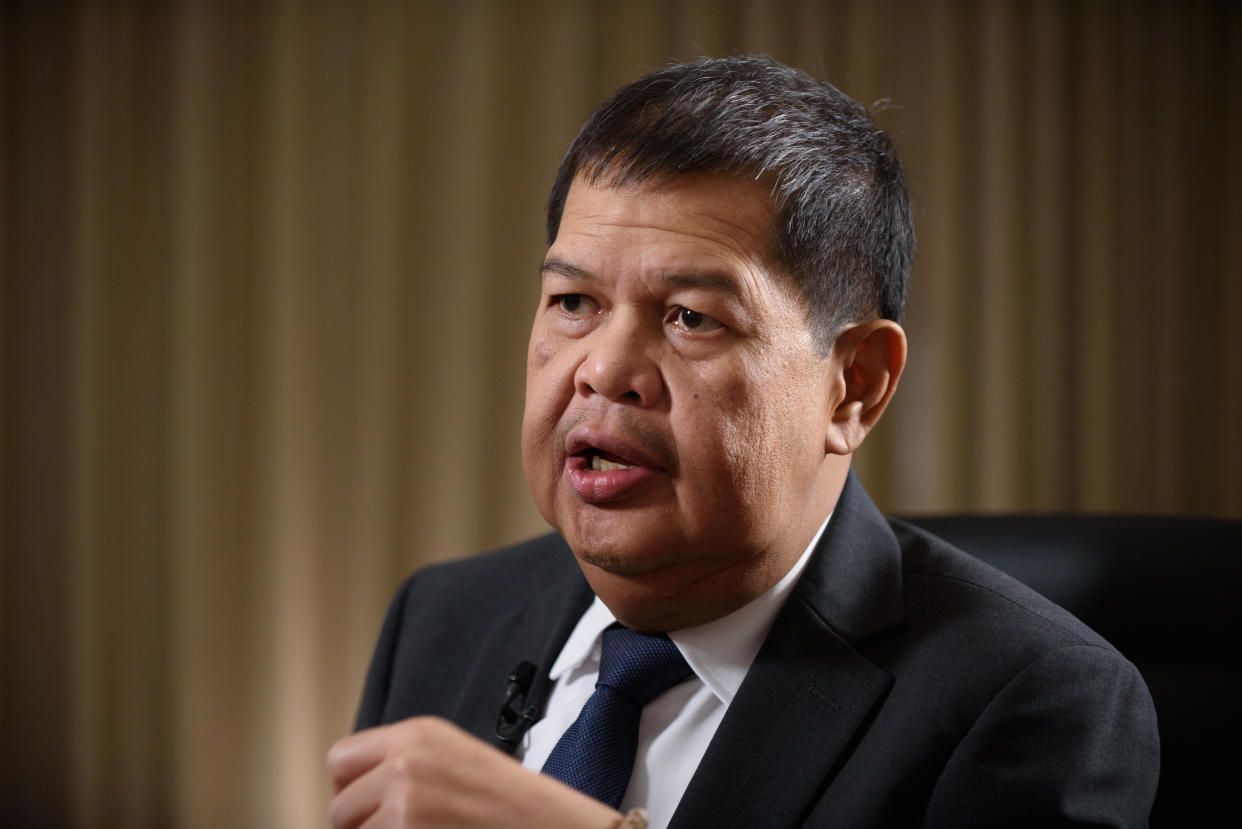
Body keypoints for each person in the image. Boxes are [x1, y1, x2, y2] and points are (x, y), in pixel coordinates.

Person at [326, 56, 1159, 829]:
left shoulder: (1032, 699)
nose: (604, 370)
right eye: (573, 301)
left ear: (855, 382)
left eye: (691, 317)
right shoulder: (442, 618)